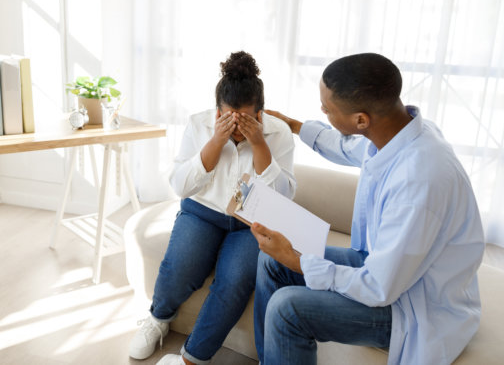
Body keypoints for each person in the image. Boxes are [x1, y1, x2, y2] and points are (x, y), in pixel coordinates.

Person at [251, 53, 485, 365]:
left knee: (287, 307)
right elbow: (346, 146)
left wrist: (296, 260)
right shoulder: (398, 131)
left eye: (327, 108)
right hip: (386, 269)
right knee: (271, 261)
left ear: (361, 120)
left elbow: (379, 288)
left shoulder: (418, 183)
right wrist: (293, 125)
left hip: (413, 305)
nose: (322, 110)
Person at [128, 51, 296, 365]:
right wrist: (215, 143)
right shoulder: (198, 124)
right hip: (201, 212)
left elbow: (283, 198)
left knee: (234, 281)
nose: (236, 127)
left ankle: (192, 357)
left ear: (260, 114)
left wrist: (259, 143)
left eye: (245, 119)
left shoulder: (279, 134)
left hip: (251, 222)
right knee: (180, 265)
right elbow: (180, 185)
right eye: (228, 118)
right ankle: (158, 319)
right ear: (217, 110)